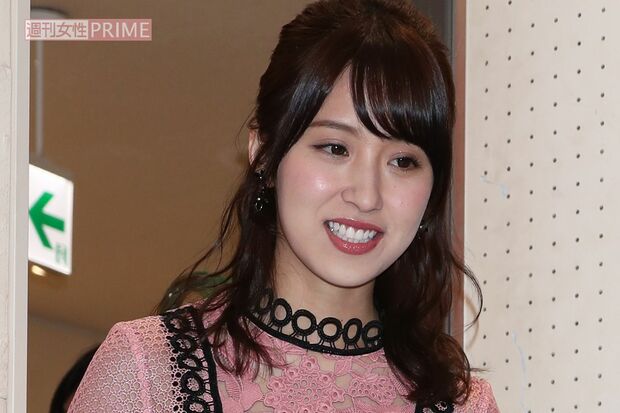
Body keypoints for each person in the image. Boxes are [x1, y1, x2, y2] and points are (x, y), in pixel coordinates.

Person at [68, 0, 499, 411]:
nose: (367, 196)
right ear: (264, 154)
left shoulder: (463, 405)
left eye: (403, 161)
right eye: (335, 148)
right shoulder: (148, 372)